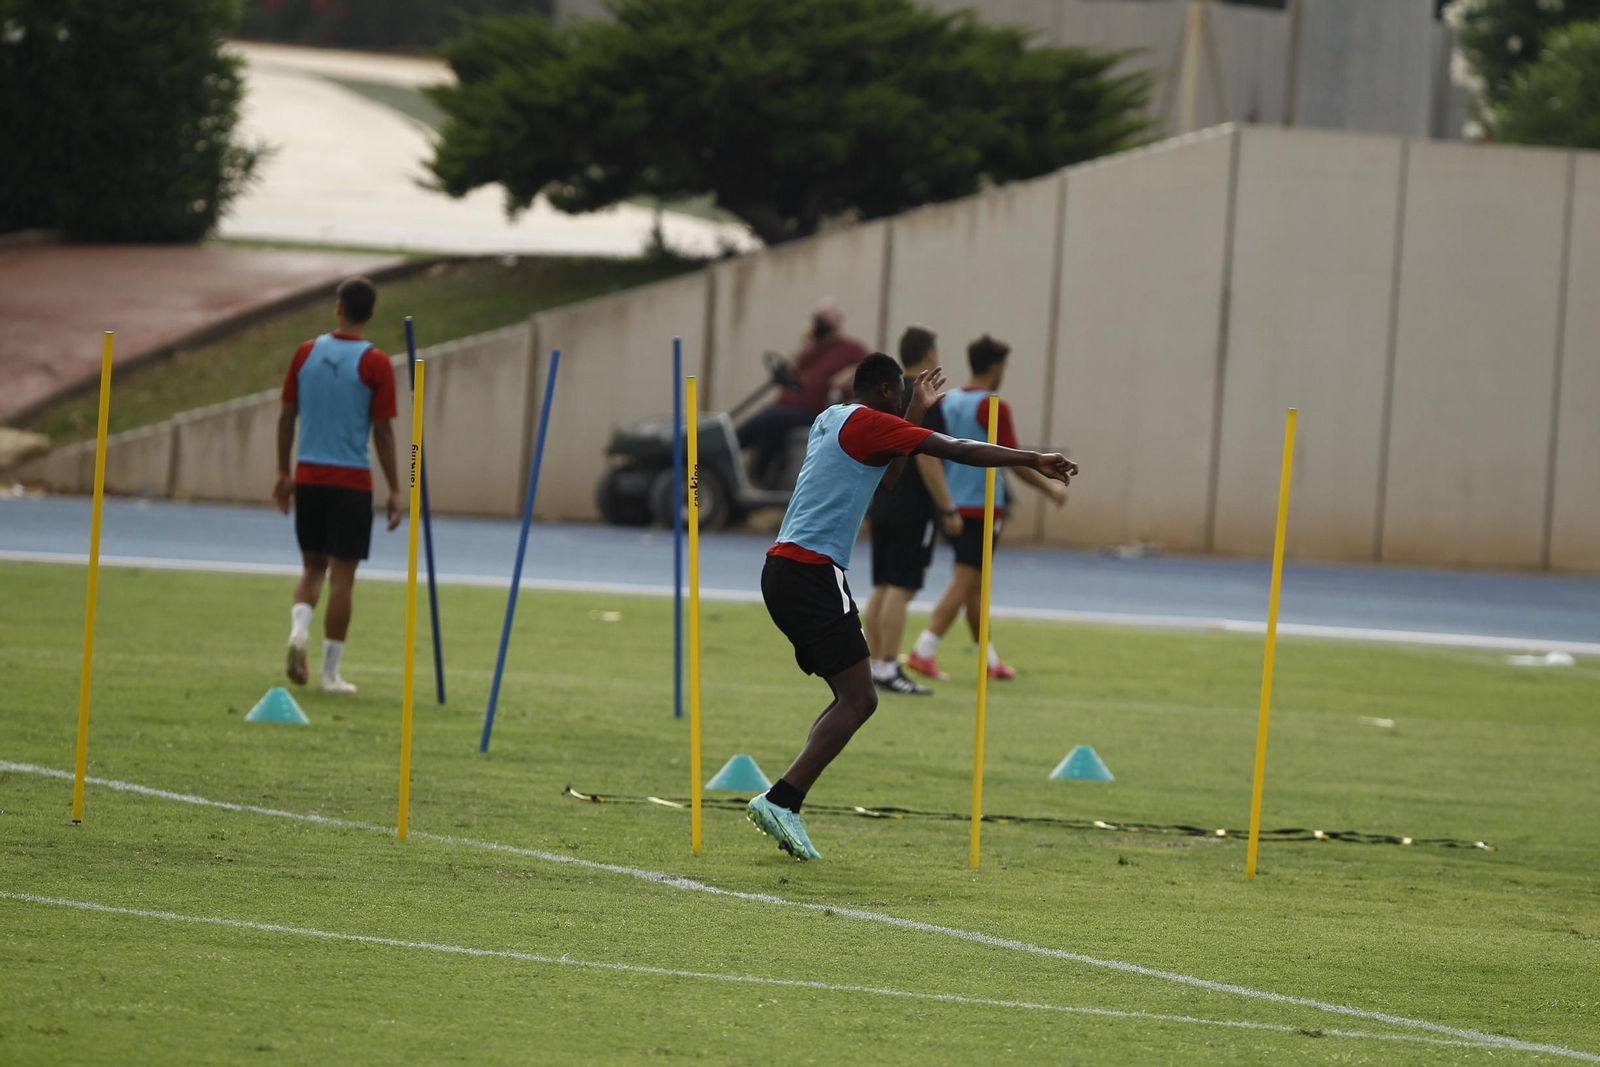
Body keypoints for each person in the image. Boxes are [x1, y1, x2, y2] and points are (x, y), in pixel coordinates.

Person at [749, 352, 1077, 860]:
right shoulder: (875, 422)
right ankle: (781, 799)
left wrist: (915, 412)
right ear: (884, 392)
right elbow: (957, 449)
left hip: (782, 570)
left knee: (848, 696)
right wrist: (1031, 458)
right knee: (861, 700)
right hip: (812, 573)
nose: (902, 405)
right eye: (898, 397)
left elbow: (891, 478)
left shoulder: (832, 416)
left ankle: (784, 797)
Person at [906, 335, 1068, 683]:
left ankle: (989, 661)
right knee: (966, 581)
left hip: (952, 501)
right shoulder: (992, 407)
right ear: (996, 366)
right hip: (982, 506)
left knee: (976, 584)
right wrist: (1050, 490)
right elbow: (1016, 460)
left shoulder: (947, 401)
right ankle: (923, 649)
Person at [272, 276, 402, 694]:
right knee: (342, 578)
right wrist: (400, 486)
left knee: (312, 568)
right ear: (372, 314)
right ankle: (329, 674)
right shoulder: (376, 364)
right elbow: (384, 433)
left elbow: (286, 417)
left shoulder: (306, 353)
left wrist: (283, 473)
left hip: (308, 477)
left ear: (338, 308)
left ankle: (298, 630)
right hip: (351, 484)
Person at [861, 327, 958, 696]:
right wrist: (947, 508)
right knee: (901, 589)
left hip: (881, 500)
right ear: (930, 353)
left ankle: (874, 664)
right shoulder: (922, 396)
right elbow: (928, 459)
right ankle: (887, 665)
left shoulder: (886, 394)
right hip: (912, 506)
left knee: (882, 587)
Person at [735, 297, 869, 485]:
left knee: (771, 419)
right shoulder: (811, 348)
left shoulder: (851, 349)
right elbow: (788, 372)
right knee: (758, 422)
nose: (818, 322)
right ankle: (723, 450)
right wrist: (804, 348)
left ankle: (756, 477)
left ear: (837, 320)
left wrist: (852, 374)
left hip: (815, 412)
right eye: (816, 318)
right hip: (784, 408)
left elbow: (871, 371)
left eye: (824, 318)